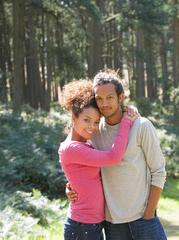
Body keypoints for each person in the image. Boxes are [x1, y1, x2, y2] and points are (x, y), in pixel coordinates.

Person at [67, 71, 167, 240]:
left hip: (144, 220)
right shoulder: (94, 131)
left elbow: (158, 172)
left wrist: (149, 214)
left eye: (110, 97)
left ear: (121, 97)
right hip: (112, 224)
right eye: (99, 98)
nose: (104, 103)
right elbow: (83, 166)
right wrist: (70, 187)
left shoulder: (141, 126)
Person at [58, 79, 139, 240]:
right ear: (74, 118)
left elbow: (84, 178)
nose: (92, 127)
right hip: (82, 226)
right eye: (86, 120)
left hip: (90, 225)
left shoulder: (86, 144)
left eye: (96, 122)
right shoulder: (72, 148)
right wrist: (126, 121)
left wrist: (70, 186)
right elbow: (113, 157)